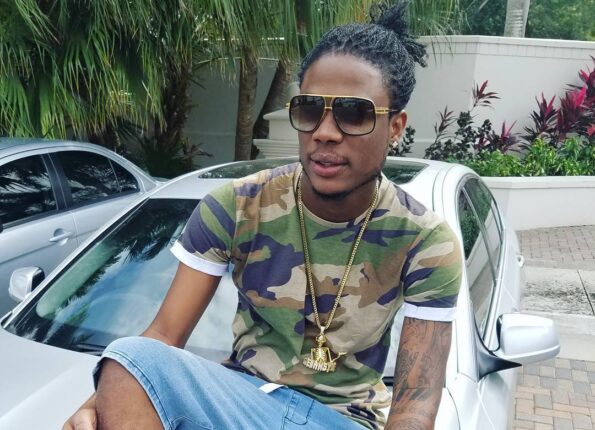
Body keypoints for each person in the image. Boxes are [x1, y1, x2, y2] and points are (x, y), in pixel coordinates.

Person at [64, 2, 462, 429]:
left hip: (343, 420)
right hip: (243, 401)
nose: (325, 132)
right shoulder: (237, 207)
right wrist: (100, 401)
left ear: (396, 127)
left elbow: (416, 403)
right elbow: (163, 336)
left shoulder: (425, 241)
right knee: (128, 357)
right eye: (310, 110)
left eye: (354, 113)